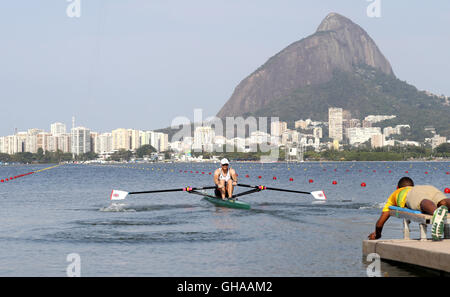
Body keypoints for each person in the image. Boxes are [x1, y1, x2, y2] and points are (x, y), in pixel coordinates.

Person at [368, 177, 449, 241]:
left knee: (421, 201)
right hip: (429, 187)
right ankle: (440, 208)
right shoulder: (417, 188)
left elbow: (380, 222)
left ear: (397, 187)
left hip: (414, 193)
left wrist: (377, 234)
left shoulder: (397, 193)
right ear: (412, 185)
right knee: (443, 202)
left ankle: (436, 212)